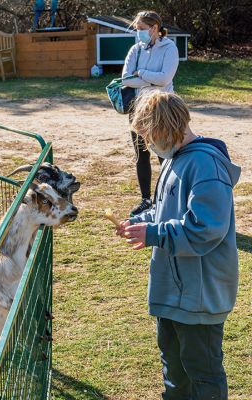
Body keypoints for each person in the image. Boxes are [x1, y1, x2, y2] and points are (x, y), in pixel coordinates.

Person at [116, 91, 241, 400]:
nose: (148, 144)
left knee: (203, 375)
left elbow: (206, 228)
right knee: (174, 371)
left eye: (149, 136)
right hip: (173, 292)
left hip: (198, 297)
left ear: (167, 127)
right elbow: (166, 209)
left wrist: (155, 234)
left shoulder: (204, 165)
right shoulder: (175, 160)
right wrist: (143, 222)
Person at [122, 11, 179, 216]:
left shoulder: (169, 48)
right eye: (137, 30)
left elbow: (165, 79)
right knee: (141, 155)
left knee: (165, 154)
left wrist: (142, 74)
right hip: (138, 108)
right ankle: (146, 200)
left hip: (162, 108)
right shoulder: (135, 50)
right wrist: (151, 80)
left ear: (154, 28)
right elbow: (126, 79)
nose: (139, 33)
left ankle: (167, 199)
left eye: (142, 29)